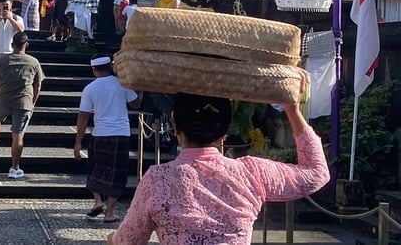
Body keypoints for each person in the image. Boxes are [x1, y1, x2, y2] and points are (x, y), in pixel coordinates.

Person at [109, 94, 328, 244]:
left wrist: (112, 239)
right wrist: (292, 110)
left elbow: (128, 240)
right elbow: (317, 173)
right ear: (224, 133)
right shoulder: (251, 173)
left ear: (176, 129)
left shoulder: (158, 179)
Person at [73, 56, 142, 224]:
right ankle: (109, 212)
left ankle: (97, 200)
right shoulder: (122, 84)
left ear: (94, 70)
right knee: (117, 173)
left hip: (100, 133)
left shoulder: (90, 88)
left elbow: (83, 116)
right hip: (121, 133)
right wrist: (141, 90)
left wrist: (78, 142)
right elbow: (136, 104)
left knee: (95, 168)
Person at [0, 32, 44, 178]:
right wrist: (33, 102)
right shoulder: (34, 62)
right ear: (27, 45)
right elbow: (38, 85)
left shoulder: (3, 60)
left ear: (12, 45)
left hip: (4, 97)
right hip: (24, 100)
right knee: (18, 135)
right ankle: (14, 167)